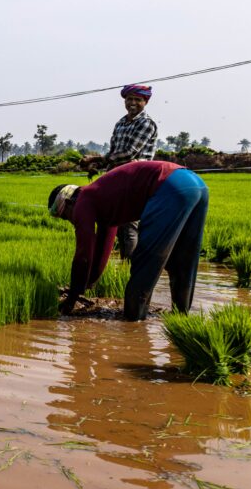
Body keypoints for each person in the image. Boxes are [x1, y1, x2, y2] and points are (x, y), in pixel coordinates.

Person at [48, 160, 208, 321]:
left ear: (69, 202)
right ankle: (182, 319)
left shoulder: (84, 200)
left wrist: (71, 298)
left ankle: (134, 322)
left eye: (65, 216)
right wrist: (90, 282)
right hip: (196, 184)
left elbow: (83, 254)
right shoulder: (101, 199)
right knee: (182, 261)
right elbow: (103, 248)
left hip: (169, 187)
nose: (71, 220)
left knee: (145, 262)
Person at [80, 84, 159, 258]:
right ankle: (113, 265)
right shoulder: (121, 123)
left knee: (129, 225)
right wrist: (97, 166)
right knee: (114, 223)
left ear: (145, 102)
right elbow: (114, 152)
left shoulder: (146, 123)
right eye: (129, 99)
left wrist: (96, 158)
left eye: (137, 100)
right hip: (117, 177)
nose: (132, 103)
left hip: (136, 178)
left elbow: (129, 153)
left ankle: (128, 269)